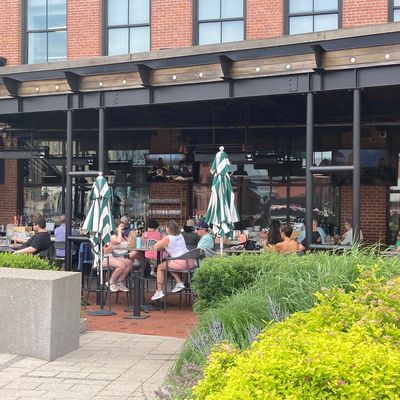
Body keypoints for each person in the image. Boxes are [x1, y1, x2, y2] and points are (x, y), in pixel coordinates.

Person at [151, 219, 193, 301]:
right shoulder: (180, 235)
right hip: (190, 261)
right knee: (168, 264)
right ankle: (179, 283)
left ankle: (159, 291)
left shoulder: (168, 238)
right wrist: (162, 242)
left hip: (180, 262)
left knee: (160, 267)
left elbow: (155, 247)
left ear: (168, 228)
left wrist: (160, 242)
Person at [103, 221, 133, 292]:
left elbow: (130, 247)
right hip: (106, 258)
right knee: (121, 265)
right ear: (115, 228)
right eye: (121, 227)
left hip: (115, 257)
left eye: (123, 228)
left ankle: (119, 282)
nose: (123, 229)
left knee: (129, 262)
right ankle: (111, 282)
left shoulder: (125, 237)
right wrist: (119, 231)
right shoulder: (112, 237)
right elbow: (118, 241)